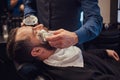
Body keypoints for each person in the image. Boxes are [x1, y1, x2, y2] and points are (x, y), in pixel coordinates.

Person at [7, 25, 120, 80]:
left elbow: (82, 55)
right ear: (37, 51)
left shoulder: (57, 52)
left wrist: (104, 52)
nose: (40, 26)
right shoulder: (70, 75)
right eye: (35, 32)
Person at [22, 0, 103, 49]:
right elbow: (29, 5)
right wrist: (30, 18)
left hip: (71, 50)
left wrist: (76, 37)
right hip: (42, 49)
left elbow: (95, 19)